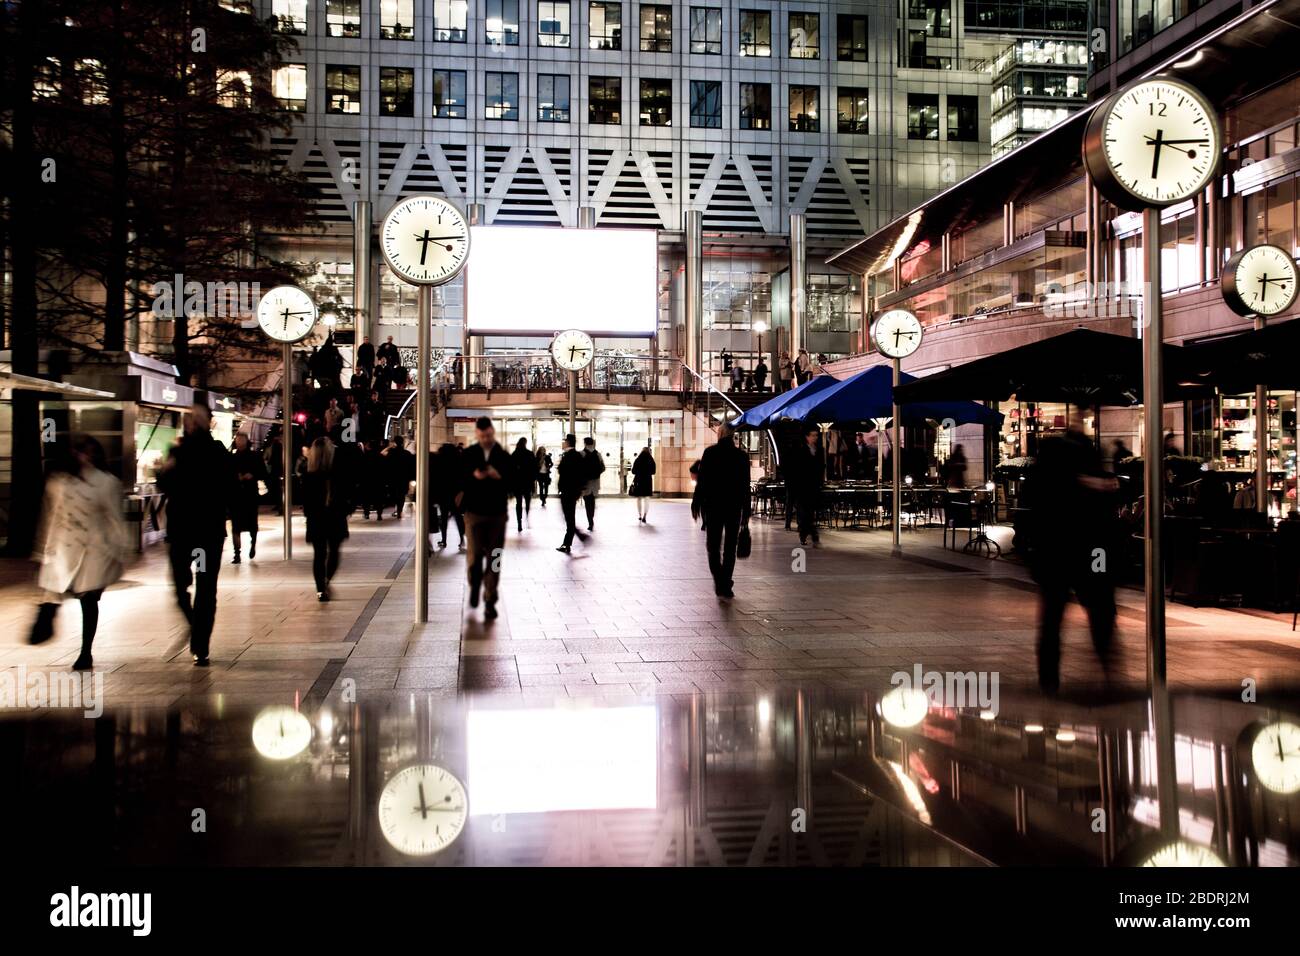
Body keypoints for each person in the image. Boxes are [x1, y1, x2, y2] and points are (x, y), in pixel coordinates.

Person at [1023, 429, 1119, 694]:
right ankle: (1107, 671)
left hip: (1058, 558)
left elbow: (1030, 515)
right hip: (1087, 557)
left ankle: (1049, 682)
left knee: (1052, 622)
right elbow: (1106, 520)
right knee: (1099, 614)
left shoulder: (1044, 476)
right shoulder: (1085, 479)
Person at [29, 436, 129, 671]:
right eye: (81, 451)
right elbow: (50, 518)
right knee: (53, 597)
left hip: (93, 551)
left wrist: (120, 549)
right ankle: (47, 622)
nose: (85, 456)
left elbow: (115, 519)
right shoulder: (58, 482)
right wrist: (42, 552)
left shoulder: (106, 483)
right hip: (62, 548)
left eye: (90, 452)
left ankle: (86, 652)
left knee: (88, 601)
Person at [157, 402, 235, 666]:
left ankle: (199, 640)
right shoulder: (202, 452)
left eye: (192, 418)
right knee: (194, 587)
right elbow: (230, 487)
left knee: (193, 586)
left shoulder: (196, 452)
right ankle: (198, 636)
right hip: (199, 533)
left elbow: (165, 483)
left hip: (192, 532)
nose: (188, 422)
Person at [460, 417, 512, 620]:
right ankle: (474, 586)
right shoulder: (469, 455)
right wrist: (474, 476)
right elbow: (459, 479)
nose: (486, 439)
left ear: (493, 433)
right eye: (482, 436)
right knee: (474, 557)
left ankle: (490, 598)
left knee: (495, 558)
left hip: (498, 515)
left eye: (489, 435)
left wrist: (498, 476)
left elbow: (513, 482)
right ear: (477, 435)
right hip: (474, 513)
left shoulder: (503, 456)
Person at [692, 423, 752, 598]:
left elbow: (701, 482)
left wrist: (696, 503)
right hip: (733, 507)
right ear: (732, 436)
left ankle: (720, 580)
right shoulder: (741, 456)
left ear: (719, 434)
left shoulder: (710, 453)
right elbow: (745, 486)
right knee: (730, 548)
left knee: (713, 547)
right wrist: (746, 512)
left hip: (713, 507)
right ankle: (726, 582)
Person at [303, 437, 349, 601]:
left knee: (319, 554)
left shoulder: (308, 476)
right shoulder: (338, 473)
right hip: (335, 518)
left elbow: (306, 503)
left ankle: (320, 589)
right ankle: (326, 581)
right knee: (334, 552)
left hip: (317, 519)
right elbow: (345, 496)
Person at [790, 425, 825, 547]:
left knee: (810, 513)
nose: (815, 438)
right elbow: (798, 469)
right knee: (805, 513)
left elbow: (821, 467)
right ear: (807, 437)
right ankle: (809, 535)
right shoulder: (801, 451)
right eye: (813, 435)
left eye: (816, 435)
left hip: (814, 487)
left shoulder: (820, 450)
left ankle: (807, 534)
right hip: (803, 487)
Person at [556, 434, 590, 553]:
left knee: (569, 517)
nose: (563, 443)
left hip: (568, 491)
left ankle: (569, 542)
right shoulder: (575, 455)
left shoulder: (570, 456)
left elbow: (565, 472)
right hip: (572, 491)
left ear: (568, 442)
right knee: (569, 517)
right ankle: (573, 539)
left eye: (564, 441)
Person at [432, 443, 465, 550]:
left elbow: (436, 478)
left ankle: (444, 540)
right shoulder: (459, 460)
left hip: (443, 493)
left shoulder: (439, 460)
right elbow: (462, 477)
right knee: (458, 517)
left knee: (444, 517)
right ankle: (462, 539)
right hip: (455, 494)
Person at [510, 436, 537, 532]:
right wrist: (533, 482)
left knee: (519, 503)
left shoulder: (514, 454)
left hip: (518, 483)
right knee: (528, 501)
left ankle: (519, 522)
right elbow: (534, 469)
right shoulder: (529, 454)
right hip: (527, 482)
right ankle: (527, 516)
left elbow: (510, 470)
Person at [582, 436, 605, 532]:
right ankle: (591, 519)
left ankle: (590, 521)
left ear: (585, 443)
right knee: (592, 502)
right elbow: (603, 467)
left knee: (587, 502)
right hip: (595, 483)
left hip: (585, 483)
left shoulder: (582, 454)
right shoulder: (598, 454)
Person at [630, 445, 656, 524]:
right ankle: (645, 515)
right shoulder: (651, 460)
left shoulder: (638, 459)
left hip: (639, 481)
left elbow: (633, 471)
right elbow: (653, 472)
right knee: (647, 499)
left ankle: (640, 515)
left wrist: (639, 472)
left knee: (639, 498)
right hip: (648, 481)